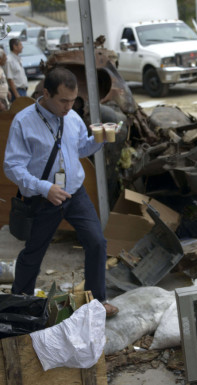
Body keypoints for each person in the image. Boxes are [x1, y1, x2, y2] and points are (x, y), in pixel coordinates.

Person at [3, 67, 119, 318]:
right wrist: (45, 188)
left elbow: (79, 148)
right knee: (34, 253)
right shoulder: (24, 121)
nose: (69, 106)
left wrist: (100, 139)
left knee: (97, 243)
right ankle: (19, 303)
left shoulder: (72, 117)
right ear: (46, 93)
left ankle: (96, 301)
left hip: (74, 194)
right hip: (43, 198)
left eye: (73, 100)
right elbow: (12, 167)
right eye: (63, 100)